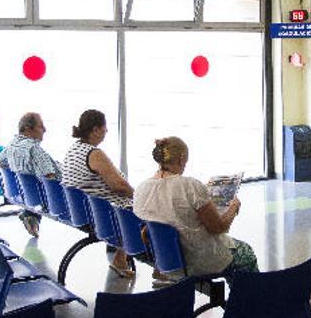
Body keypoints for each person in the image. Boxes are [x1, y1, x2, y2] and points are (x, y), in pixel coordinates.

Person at [133, 136, 258, 279]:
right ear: (181, 159)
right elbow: (218, 227)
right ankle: (246, 299)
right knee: (246, 254)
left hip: (166, 259)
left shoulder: (141, 189)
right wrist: (233, 209)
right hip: (198, 260)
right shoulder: (190, 186)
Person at [62, 109, 136, 278]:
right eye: (104, 128)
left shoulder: (74, 149)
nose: (106, 131)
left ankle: (120, 258)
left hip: (83, 211)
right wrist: (139, 197)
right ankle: (161, 268)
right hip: (101, 215)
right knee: (152, 211)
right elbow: (119, 186)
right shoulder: (93, 153)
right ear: (95, 130)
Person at [0, 112, 62, 237]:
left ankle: (29, 214)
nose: (45, 130)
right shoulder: (34, 149)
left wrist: (18, 170)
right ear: (27, 129)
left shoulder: (12, 144)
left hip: (29, 196)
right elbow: (50, 178)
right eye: (41, 127)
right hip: (57, 200)